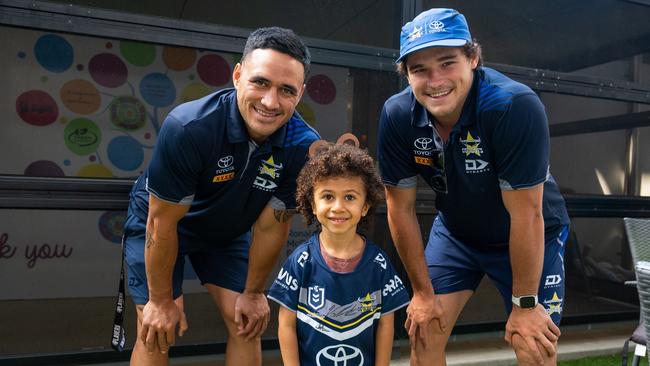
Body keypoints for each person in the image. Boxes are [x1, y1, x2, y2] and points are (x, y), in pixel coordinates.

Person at [377, 8, 570, 366]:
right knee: (424, 330)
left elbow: (526, 214)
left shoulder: (513, 105)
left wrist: (525, 305)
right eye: (419, 69)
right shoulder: (397, 115)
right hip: (458, 234)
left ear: (474, 58)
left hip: (530, 233)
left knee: (533, 345)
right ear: (406, 74)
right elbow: (399, 208)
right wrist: (421, 292)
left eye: (447, 62)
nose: (435, 80)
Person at [121, 26, 319, 365]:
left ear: (300, 94)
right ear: (238, 75)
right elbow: (161, 225)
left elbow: (272, 227)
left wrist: (255, 293)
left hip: (226, 230)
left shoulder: (302, 147)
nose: (270, 102)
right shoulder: (188, 127)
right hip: (163, 225)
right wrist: (159, 300)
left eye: (286, 90)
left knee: (247, 322)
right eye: (260, 82)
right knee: (158, 325)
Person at [267, 140, 410, 366]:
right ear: (312, 204)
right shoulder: (301, 262)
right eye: (327, 196)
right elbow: (286, 324)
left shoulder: (378, 264)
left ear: (365, 206)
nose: (338, 207)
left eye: (350, 197)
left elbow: (385, 324)